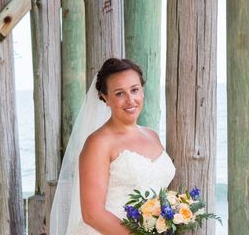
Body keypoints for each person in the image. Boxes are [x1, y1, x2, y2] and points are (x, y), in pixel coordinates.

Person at [50, 58, 176, 235]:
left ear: (142, 91)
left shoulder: (152, 135)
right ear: (105, 98)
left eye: (134, 90)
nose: (130, 100)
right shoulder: (98, 143)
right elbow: (92, 214)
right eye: (119, 94)